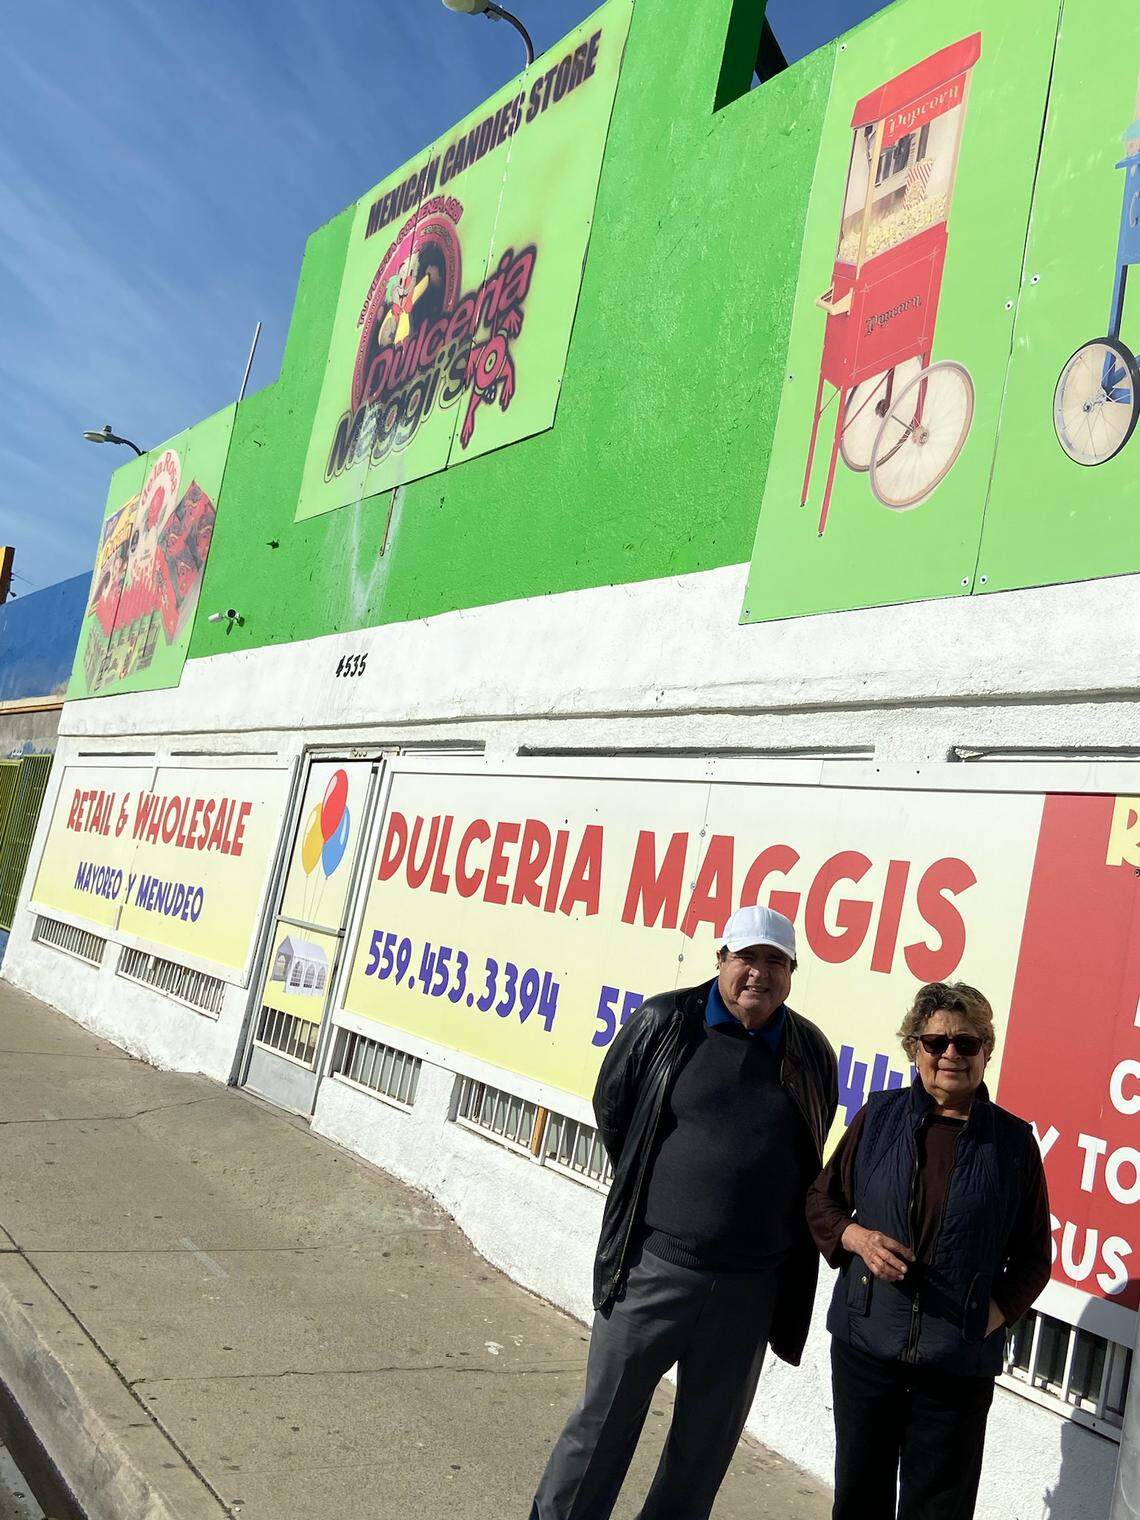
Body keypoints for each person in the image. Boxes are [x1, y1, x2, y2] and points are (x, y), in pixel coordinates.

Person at [530, 905, 837, 1520]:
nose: (759, 973)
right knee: (600, 1427)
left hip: (750, 1289)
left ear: (792, 974)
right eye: (747, 957)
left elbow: (809, 1148)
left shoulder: (810, 1051)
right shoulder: (665, 1021)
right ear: (721, 958)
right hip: (653, 1269)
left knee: (703, 1451)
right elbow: (615, 1110)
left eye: (776, 962)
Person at [806, 981, 1051, 1520]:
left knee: (939, 1509)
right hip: (867, 1347)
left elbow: (1035, 1257)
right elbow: (821, 1202)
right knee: (859, 1499)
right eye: (935, 1042)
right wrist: (855, 1237)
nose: (950, 1056)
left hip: (956, 1365)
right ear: (913, 1048)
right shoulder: (879, 1118)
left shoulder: (1012, 1143)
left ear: (987, 1050)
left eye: (966, 1044)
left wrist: (990, 1316)